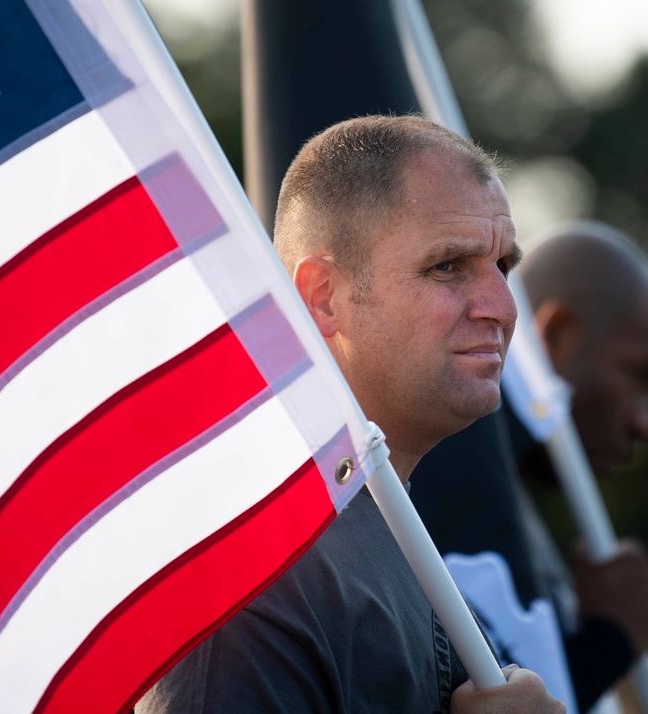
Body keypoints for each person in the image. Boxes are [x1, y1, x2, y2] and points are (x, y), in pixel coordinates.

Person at [136, 115, 566, 713]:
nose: (500, 306)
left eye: (503, 266)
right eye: (447, 266)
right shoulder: (252, 569)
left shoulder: (382, 537)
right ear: (324, 297)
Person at [411, 221, 648, 712]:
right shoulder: (444, 466)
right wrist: (609, 637)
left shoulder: (506, 489)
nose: (647, 424)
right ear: (557, 337)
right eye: (640, 377)